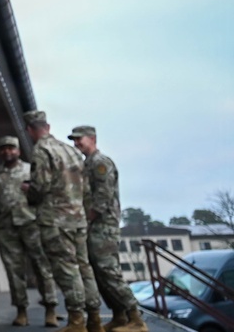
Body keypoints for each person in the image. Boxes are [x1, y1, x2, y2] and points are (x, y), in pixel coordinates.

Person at [22, 111, 103, 332]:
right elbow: (86, 189)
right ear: (47, 126)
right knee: (84, 268)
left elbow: (41, 187)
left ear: (30, 130)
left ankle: (77, 321)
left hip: (56, 221)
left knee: (66, 270)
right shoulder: (71, 150)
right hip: (78, 218)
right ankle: (95, 319)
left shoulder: (41, 150)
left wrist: (29, 192)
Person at [69, 126, 147, 332]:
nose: (77, 144)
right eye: (74, 141)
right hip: (95, 226)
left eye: (80, 139)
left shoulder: (100, 162)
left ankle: (136, 319)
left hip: (103, 226)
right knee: (100, 273)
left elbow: (102, 197)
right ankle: (119, 316)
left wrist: (87, 220)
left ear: (92, 139)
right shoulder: (87, 163)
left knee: (108, 271)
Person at [0, 135, 59, 327]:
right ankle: (21, 311)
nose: (7, 152)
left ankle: (50, 308)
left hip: (31, 224)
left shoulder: (30, 170)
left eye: (11, 148)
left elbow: (43, 195)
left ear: (18, 150)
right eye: (4, 149)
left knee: (42, 267)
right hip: (8, 228)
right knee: (14, 271)